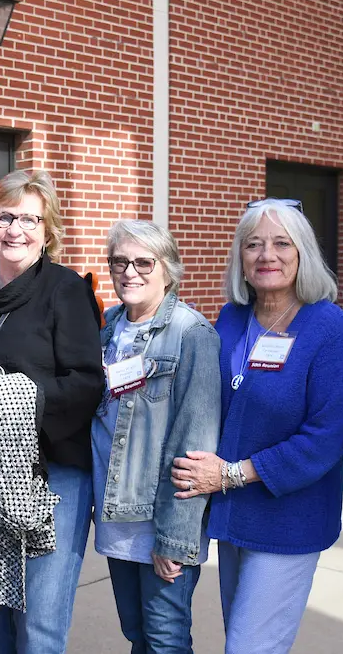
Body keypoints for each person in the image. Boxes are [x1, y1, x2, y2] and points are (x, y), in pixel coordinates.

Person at [170, 198, 343, 654]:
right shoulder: (233, 317)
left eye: (280, 244)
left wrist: (231, 474)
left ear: (302, 253)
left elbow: (324, 439)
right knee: (244, 639)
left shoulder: (327, 326)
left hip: (288, 517)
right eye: (253, 244)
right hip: (234, 516)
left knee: (250, 647)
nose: (265, 255)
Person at [0, 169, 105, 653]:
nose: (16, 229)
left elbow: (85, 383)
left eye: (30, 219)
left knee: (39, 625)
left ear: (48, 229)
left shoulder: (66, 290)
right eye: (5, 216)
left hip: (49, 471)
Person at [93, 220, 220, 654]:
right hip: (117, 514)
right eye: (120, 261)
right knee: (137, 634)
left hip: (161, 520)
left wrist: (176, 538)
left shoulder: (191, 333)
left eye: (144, 262)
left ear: (168, 268)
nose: (130, 272)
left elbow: (195, 441)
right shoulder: (108, 327)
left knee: (165, 640)